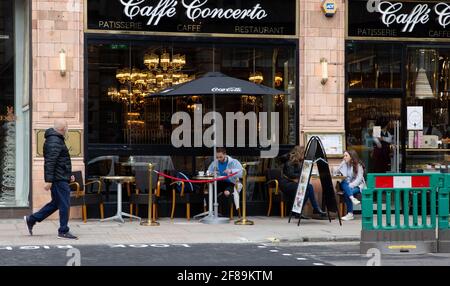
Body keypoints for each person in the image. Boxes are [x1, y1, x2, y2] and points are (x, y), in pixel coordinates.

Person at [24, 119, 78, 239]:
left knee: (56, 204)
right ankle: (63, 231)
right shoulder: (54, 141)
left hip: (60, 177)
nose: (68, 130)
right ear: (63, 129)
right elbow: (50, 162)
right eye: (67, 127)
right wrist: (48, 181)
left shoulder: (56, 140)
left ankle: (31, 219)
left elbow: (60, 162)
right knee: (65, 204)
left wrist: (68, 175)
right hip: (58, 179)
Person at [280, 146, 326, 219]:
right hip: (286, 184)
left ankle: (299, 213)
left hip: (294, 183)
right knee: (309, 187)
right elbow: (290, 175)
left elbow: (301, 172)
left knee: (307, 190)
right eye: (304, 153)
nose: (305, 155)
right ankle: (315, 208)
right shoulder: (289, 162)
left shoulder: (300, 162)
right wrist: (303, 174)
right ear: (299, 153)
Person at [207, 148, 243, 216]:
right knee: (211, 191)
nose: (219, 159)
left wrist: (231, 171)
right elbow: (209, 171)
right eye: (217, 157)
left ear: (225, 155)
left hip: (231, 183)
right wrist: (213, 173)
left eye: (221, 157)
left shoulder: (234, 162)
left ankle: (226, 215)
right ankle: (211, 213)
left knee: (226, 193)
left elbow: (241, 173)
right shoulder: (215, 163)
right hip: (220, 182)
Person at [334, 149, 367, 221]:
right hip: (347, 185)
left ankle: (350, 214)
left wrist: (350, 186)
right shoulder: (345, 164)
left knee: (346, 192)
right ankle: (352, 198)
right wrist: (341, 164)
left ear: (351, 157)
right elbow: (336, 172)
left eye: (346, 156)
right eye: (344, 156)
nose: (344, 157)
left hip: (358, 186)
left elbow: (359, 179)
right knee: (343, 182)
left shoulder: (359, 165)